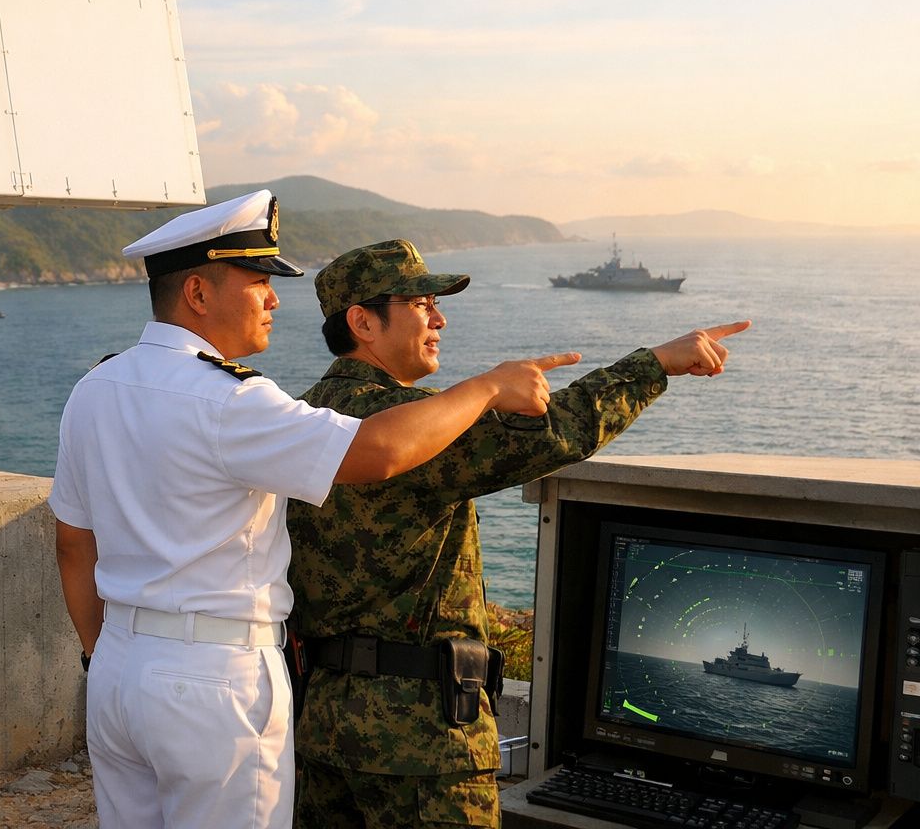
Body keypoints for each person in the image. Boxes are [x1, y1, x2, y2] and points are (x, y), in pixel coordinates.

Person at [50, 191, 585, 829]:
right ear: (197, 293)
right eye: (258, 283)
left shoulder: (95, 388)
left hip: (117, 668)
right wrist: (487, 387)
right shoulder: (231, 401)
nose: (275, 300)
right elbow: (379, 449)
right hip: (215, 679)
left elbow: (73, 545)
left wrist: (102, 654)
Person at [287, 239, 750, 829]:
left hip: (321, 726)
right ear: (362, 322)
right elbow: (555, 432)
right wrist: (657, 363)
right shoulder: (414, 427)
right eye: (421, 303)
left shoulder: (301, 416)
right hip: (421, 740)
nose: (440, 318)